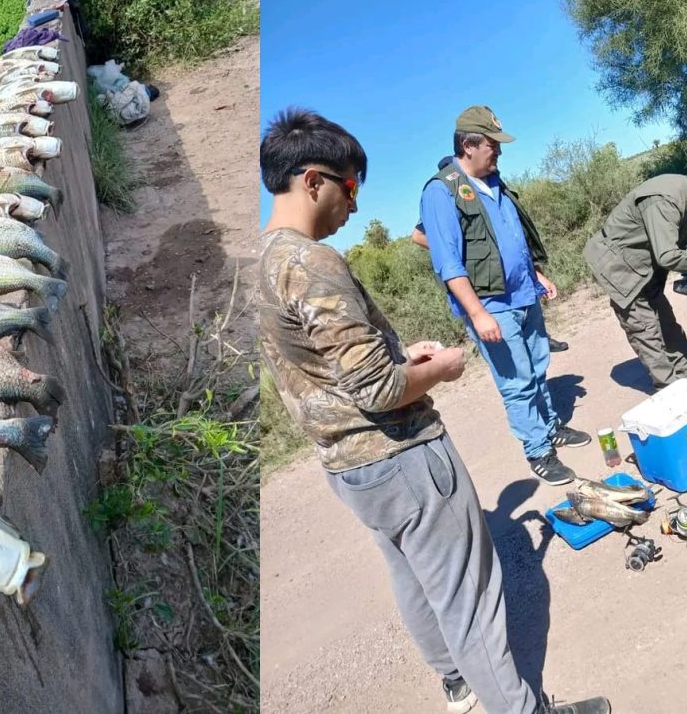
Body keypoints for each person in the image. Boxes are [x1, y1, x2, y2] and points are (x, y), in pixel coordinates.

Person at [258, 107, 611, 714]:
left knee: (414, 576)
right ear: (313, 181)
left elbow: (324, 368)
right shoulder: (312, 262)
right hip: (401, 456)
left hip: (348, 463)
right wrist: (440, 369)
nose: (355, 205)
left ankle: (456, 680)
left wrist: (401, 355)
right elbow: (377, 391)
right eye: (350, 187)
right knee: (471, 597)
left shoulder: (263, 261)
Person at [418, 106, 590, 487]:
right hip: (492, 305)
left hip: (524, 294)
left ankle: (550, 427)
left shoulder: (494, 181)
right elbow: (448, 263)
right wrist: (478, 313)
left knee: (538, 367)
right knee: (517, 381)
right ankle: (538, 451)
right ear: (468, 145)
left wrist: (535, 275)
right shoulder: (441, 191)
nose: (498, 150)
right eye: (491, 144)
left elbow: (512, 240)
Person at [583, 162, 687, 391]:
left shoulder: (686, 198)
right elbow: (668, 255)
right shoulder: (666, 199)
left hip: (644, 266)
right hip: (620, 269)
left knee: (666, 323)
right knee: (645, 329)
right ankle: (670, 389)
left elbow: (679, 244)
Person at [412, 203, 569, 353]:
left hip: (515, 277)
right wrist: (462, 250)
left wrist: (537, 272)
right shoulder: (446, 195)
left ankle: (543, 339)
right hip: (486, 282)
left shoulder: (491, 190)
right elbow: (418, 236)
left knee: (530, 331)